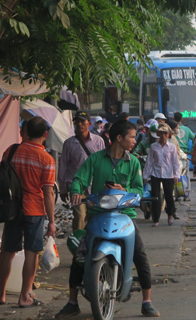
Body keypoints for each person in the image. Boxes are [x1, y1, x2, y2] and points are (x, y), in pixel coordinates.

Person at [55, 120, 160, 318]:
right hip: (98, 215)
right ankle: (72, 302)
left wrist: (126, 191)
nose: (134, 141)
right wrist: (76, 192)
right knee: (80, 256)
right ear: (119, 138)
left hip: (125, 216)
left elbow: (139, 188)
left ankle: (147, 301)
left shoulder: (134, 162)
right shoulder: (95, 159)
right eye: (131, 136)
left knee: (141, 256)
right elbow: (79, 179)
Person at [0, 117, 56, 307]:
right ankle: (25, 296)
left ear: (24, 132)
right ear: (45, 135)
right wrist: (52, 220)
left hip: (12, 208)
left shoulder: (11, 151)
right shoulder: (47, 159)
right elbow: (48, 192)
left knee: (7, 251)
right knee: (32, 251)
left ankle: (1, 294)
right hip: (34, 210)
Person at [58, 111, 105, 231]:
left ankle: (91, 242)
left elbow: (104, 164)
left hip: (94, 186)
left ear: (89, 123)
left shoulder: (98, 141)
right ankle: (78, 244)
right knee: (79, 215)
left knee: (94, 215)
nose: (79, 124)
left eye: (82, 121)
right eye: (77, 121)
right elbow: (63, 166)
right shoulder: (69, 143)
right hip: (76, 187)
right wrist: (62, 189)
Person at [143, 123, 180, 226]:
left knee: (169, 196)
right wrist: (145, 176)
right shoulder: (154, 146)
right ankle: (156, 219)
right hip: (156, 174)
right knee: (155, 197)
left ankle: (170, 215)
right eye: (161, 133)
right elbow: (149, 162)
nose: (163, 136)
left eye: (165, 133)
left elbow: (175, 162)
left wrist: (177, 175)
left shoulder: (172, 147)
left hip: (168, 174)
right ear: (158, 134)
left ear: (168, 135)